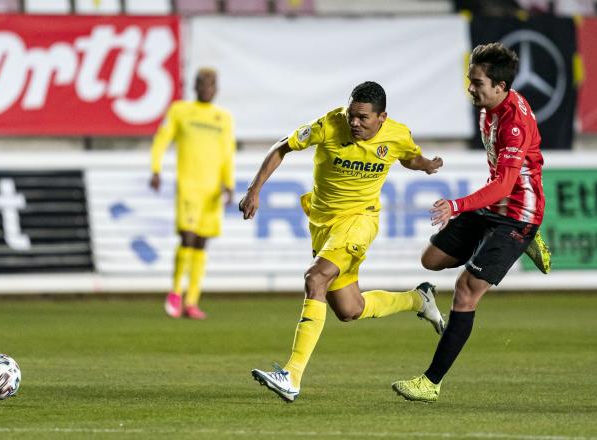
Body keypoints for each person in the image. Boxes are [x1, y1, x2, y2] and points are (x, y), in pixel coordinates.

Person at [239, 81, 445, 403]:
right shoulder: (328, 125)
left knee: (315, 277)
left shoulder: (397, 134)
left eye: (363, 118)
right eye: (351, 115)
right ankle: (419, 300)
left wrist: (427, 165)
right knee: (350, 309)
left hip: (360, 221)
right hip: (323, 224)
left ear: (382, 117)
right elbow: (281, 147)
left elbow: (409, 156)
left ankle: (292, 375)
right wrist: (254, 189)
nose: (354, 123)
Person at [391, 42, 548, 403]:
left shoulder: (513, 123)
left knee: (465, 290)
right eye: (470, 80)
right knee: (431, 260)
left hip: (518, 213)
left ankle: (431, 382)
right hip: (495, 205)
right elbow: (499, 179)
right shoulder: (488, 109)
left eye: (477, 82)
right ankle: (524, 245)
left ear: (500, 87)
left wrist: (458, 205)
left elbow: (507, 184)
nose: (471, 89)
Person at [150, 68, 235, 320]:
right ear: (195, 86)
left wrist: (228, 184)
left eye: (211, 84)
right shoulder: (180, 111)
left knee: (201, 243)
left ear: (216, 89)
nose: (207, 87)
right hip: (189, 186)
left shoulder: (223, 118)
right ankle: (175, 292)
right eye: (203, 83)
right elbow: (161, 140)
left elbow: (227, 153)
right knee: (187, 238)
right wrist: (155, 169)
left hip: (212, 190)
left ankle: (192, 301)